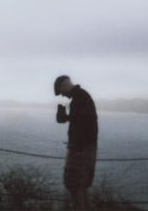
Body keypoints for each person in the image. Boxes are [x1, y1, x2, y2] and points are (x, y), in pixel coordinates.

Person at [54, 75, 98, 211]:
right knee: (81, 186)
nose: (62, 95)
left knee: (74, 185)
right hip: (87, 148)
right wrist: (67, 117)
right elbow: (83, 120)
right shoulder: (81, 97)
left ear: (64, 86)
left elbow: (82, 126)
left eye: (61, 91)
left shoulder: (79, 98)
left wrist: (78, 149)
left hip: (80, 149)